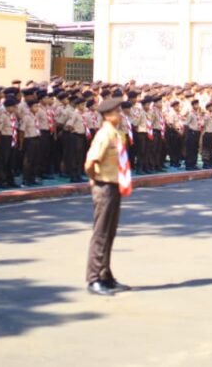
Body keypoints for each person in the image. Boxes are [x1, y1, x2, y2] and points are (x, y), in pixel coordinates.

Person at [84, 97, 132, 297]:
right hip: (104, 186)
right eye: (117, 112)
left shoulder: (116, 134)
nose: (120, 114)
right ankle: (94, 278)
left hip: (114, 186)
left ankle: (106, 275)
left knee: (110, 232)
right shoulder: (104, 135)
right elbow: (90, 162)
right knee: (101, 233)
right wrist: (95, 180)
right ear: (107, 115)